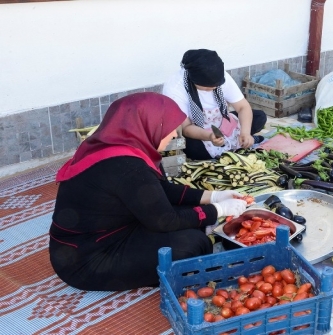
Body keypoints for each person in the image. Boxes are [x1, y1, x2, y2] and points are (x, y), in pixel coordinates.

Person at [49, 92, 248, 291]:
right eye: (168, 128)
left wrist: (212, 197)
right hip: (87, 260)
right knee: (194, 243)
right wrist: (218, 210)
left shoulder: (118, 147)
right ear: (148, 124)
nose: (174, 135)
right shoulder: (127, 165)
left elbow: (159, 191)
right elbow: (164, 220)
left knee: (191, 218)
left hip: (112, 233)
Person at [162, 49, 267, 160]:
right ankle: (236, 143)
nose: (214, 88)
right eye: (208, 87)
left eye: (216, 85)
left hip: (221, 121)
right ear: (194, 80)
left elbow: (243, 107)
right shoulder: (175, 89)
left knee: (259, 117)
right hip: (198, 131)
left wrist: (245, 133)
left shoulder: (220, 76)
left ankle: (244, 139)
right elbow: (186, 128)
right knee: (194, 150)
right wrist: (210, 136)